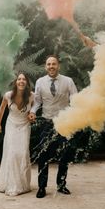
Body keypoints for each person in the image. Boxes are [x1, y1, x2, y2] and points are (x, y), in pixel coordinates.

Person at [28, 55, 78, 198]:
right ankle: (42, 187)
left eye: (54, 64)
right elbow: (37, 102)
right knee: (43, 155)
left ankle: (61, 184)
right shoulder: (40, 82)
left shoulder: (68, 81)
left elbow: (75, 100)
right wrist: (32, 112)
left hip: (64, 122)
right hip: (46, 122)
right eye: (48, 64)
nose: (51, 66)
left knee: (65, 154)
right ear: (45, 66)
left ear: (58, 66)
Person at [0, 72, 34, 196]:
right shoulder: (8, 95)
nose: (21, 81)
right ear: (16, 82)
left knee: (23, 153)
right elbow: (2, 108)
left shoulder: (32, 96)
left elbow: (35, 107)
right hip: (11, 124)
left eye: (24, 79)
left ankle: (23, 183)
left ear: (27, 82)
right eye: (19, 79)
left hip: (25, 125)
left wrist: (32, 114)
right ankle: (11, 184)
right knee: (12, 152)